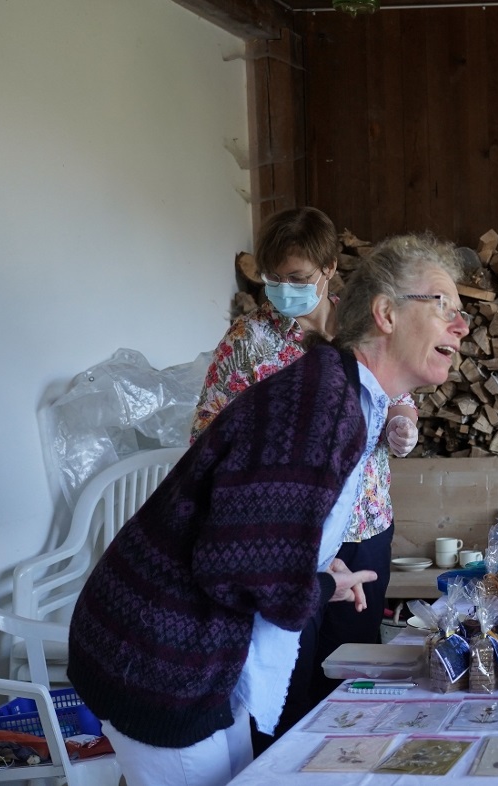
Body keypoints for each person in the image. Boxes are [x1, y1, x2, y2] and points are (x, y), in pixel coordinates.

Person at [67, 233, 468, 786]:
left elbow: (256, 528)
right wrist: (321, 587)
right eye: (443, 305)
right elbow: (241, 569)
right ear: (386, 314)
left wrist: (315, 566)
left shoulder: (342, 395)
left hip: (189, 649)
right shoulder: (322, 406)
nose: (461, 325)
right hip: (161, 658)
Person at [190, 207, 419, 745]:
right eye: (273, 280)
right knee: (287, 681)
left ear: (329, 268)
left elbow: (401, 399)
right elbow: (206, 432)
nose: (282, 291)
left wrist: (402, 425)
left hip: (363, 527)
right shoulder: (247, 341)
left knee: (353, 675)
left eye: (296, 280)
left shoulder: (365, 330)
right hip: (290, 539)